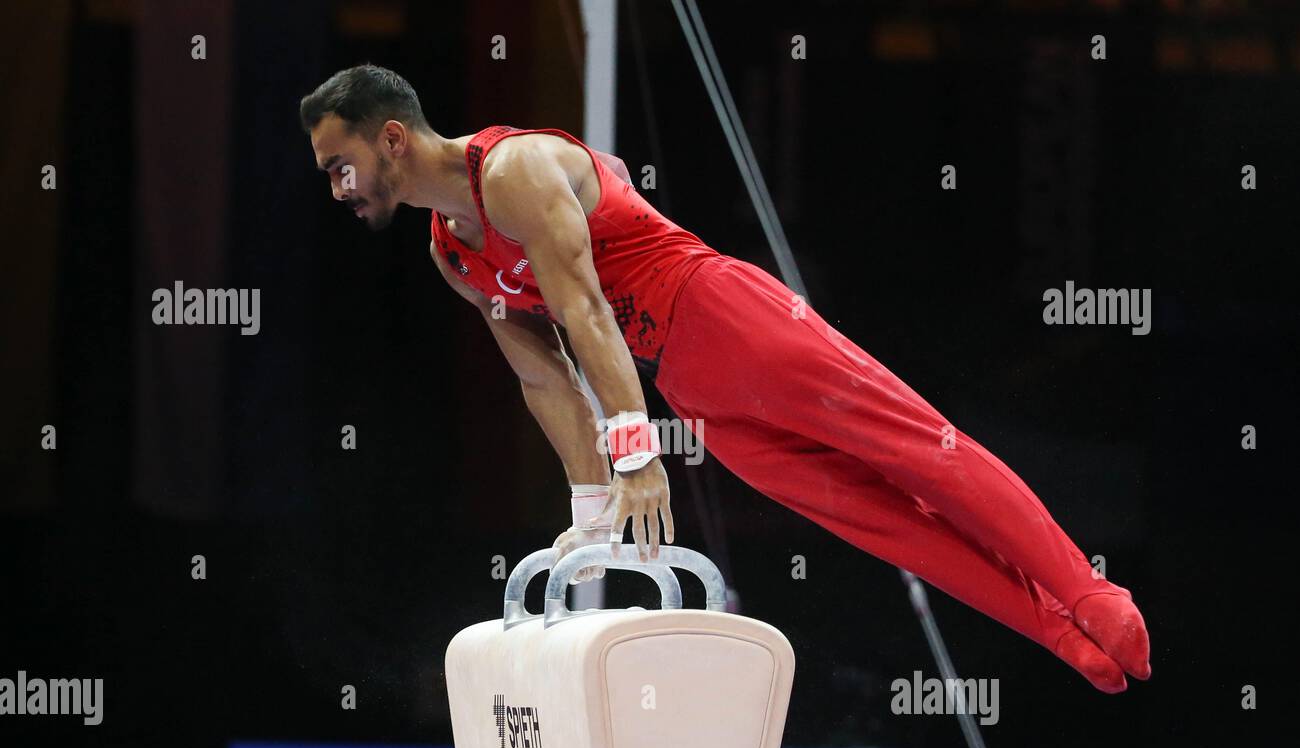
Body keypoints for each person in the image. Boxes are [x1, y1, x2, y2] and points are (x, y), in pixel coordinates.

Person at [300, 64, 1150, 693]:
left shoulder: (514, 170)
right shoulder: (451, 251)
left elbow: (587, 310)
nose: (337, 189)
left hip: (727, 316)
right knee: (880, 523)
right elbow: (544, 375)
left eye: (340, 165)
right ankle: (1056, 630)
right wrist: (592, 506)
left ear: (393, 139)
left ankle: (1086, 591)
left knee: (918, 454)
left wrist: (635, 455)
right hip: (692, 387)